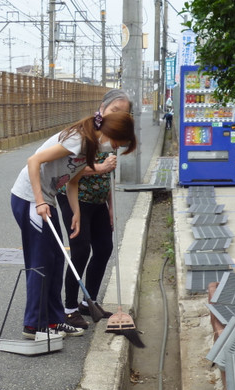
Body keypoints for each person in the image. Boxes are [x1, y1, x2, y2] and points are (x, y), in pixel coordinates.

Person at [10, 110, 137, 340]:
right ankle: (33, 325)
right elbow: (34, 161)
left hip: (45, 200)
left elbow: (73, 181)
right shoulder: (78, 140)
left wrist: (76, 213)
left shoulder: (91, 147)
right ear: (109, 132)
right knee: (42, 262)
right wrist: (39, 201)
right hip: (29, 198)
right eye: (118, 142)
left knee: (57, 260)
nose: (116, 147)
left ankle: (55, 320)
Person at [57, 90, 133, 329]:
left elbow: (110, 173)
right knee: (80, 250)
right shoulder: (86, 133)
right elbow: (68, 169)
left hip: (99, 199)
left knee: (104, 247)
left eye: (124, 112)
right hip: (75, 198)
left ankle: (88, 300)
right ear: (102, 109)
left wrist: (111, 206)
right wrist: (100, 167)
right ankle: (68, 308)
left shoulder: (114, 134)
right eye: (114, 110)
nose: (119, 115)